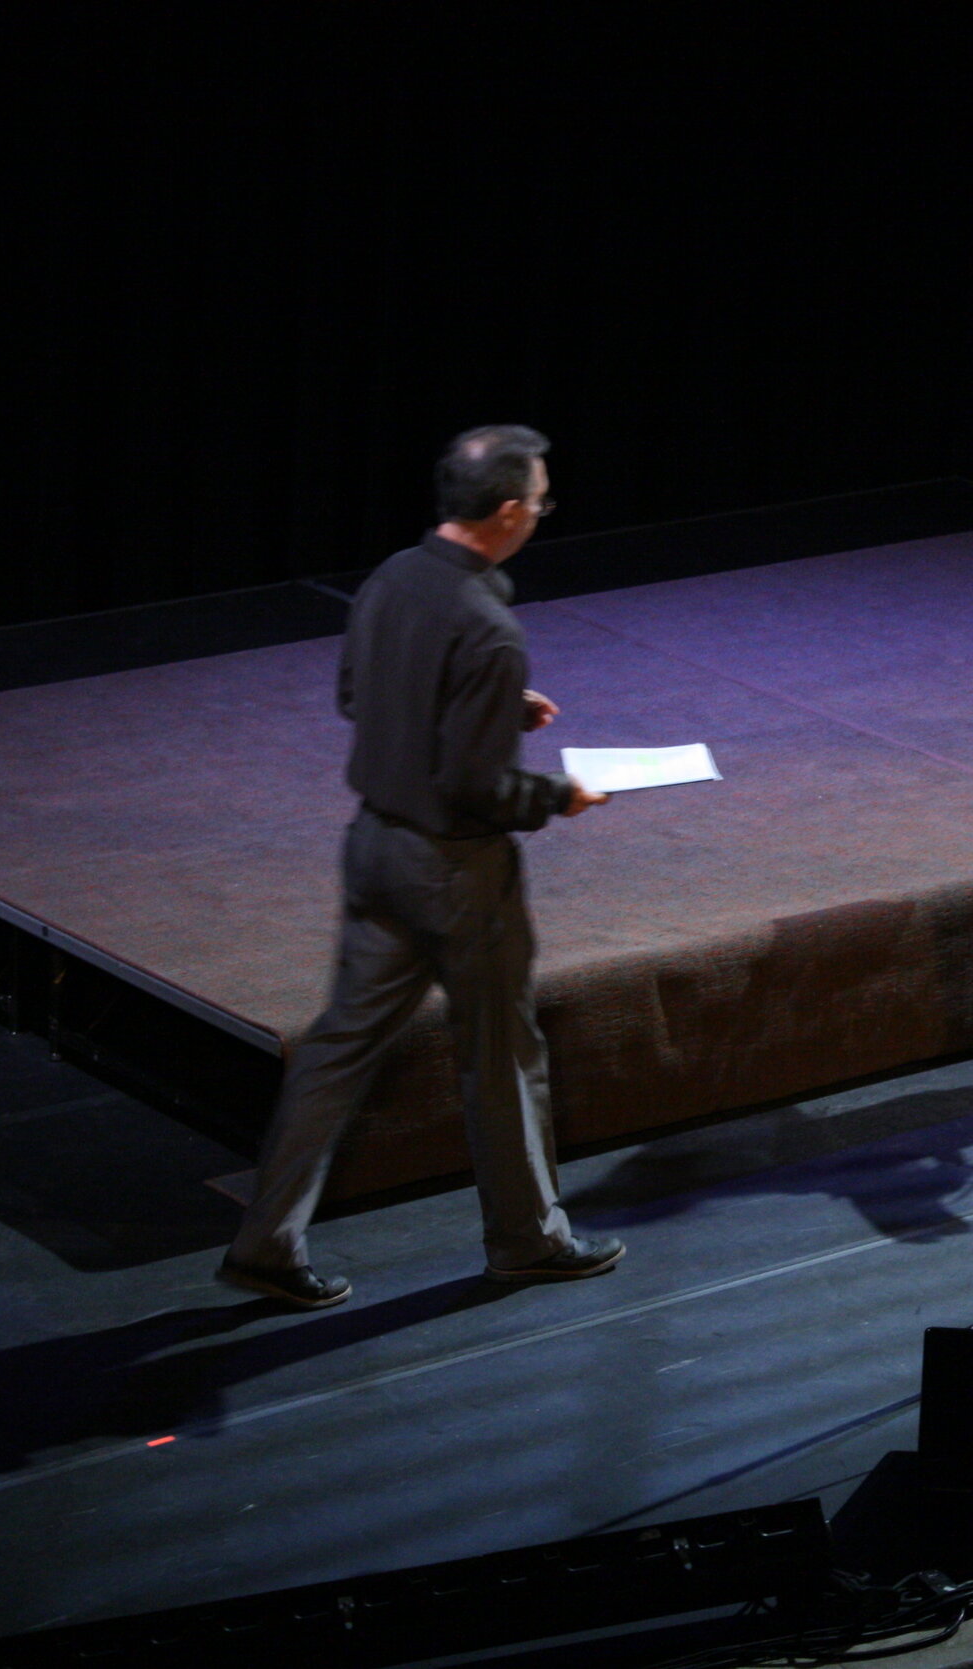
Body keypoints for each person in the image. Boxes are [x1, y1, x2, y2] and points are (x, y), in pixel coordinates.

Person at [218, 425, 623, 1309]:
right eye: (542, 503)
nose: (541, 516)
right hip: (456, 873)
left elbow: (359, 696)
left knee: (336, 1050)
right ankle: (528, 1238)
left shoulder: (392, 577)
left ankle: (265, 1242)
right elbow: (477, 789)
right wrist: (563, 796)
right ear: (510, 511)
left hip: (374, 849)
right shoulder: (488, 627)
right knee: (501, 1052)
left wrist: (492, 705)